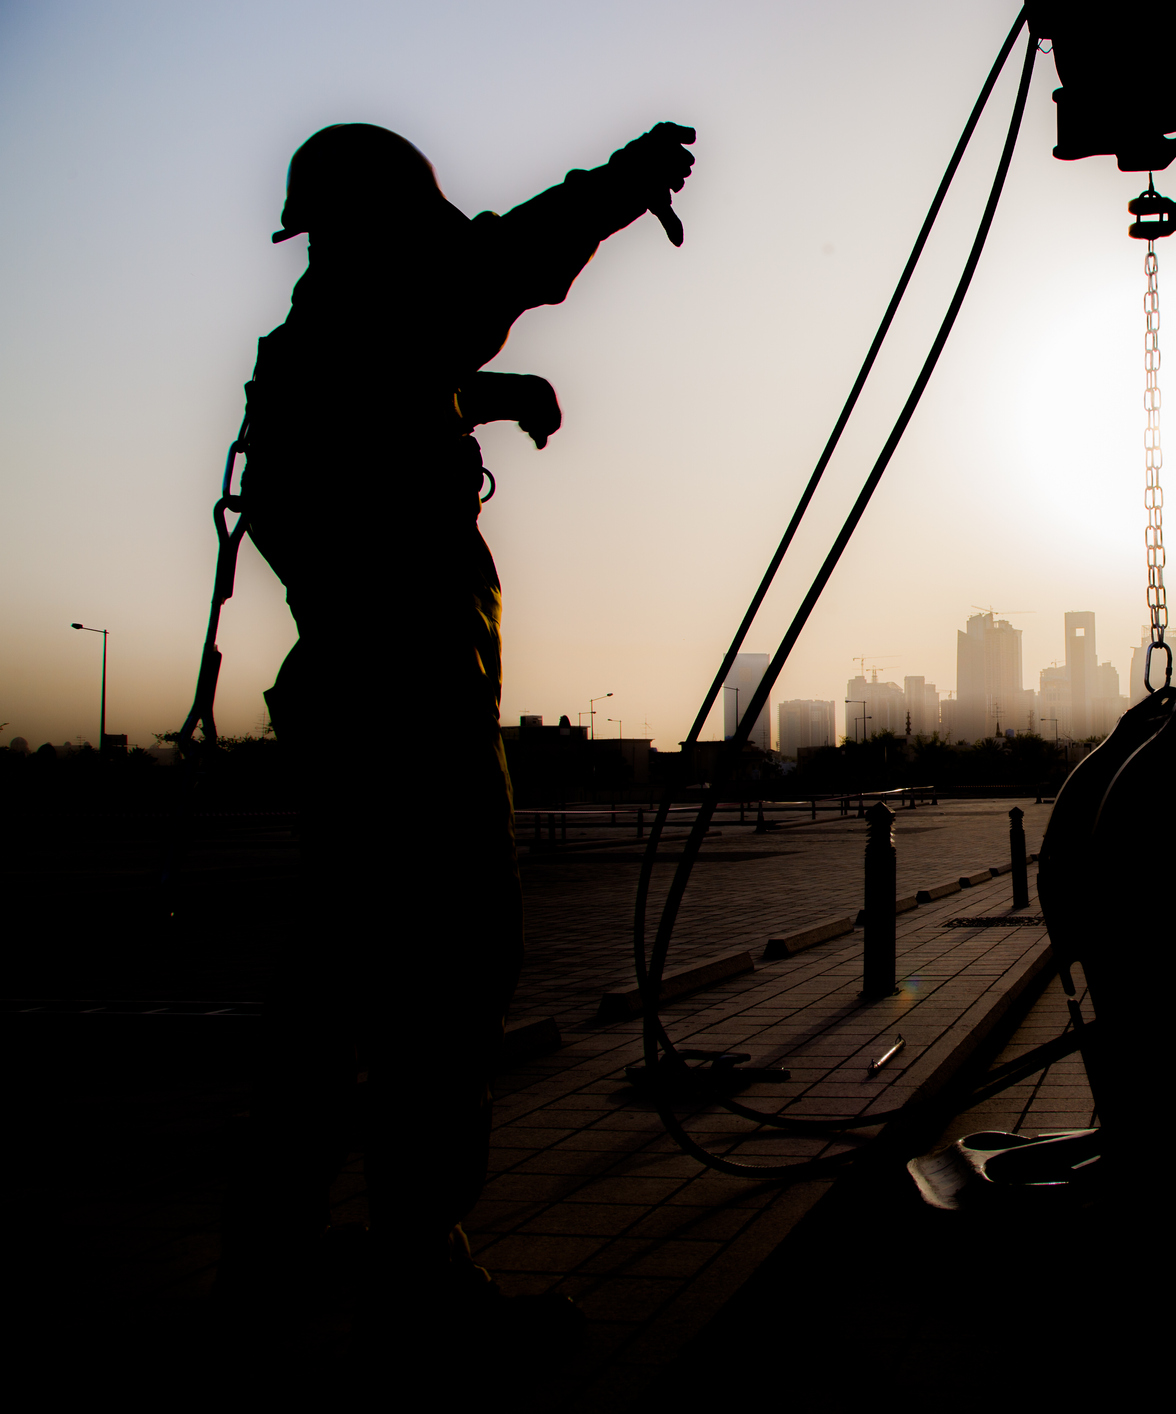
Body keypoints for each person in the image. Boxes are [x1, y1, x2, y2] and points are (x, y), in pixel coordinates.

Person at [216, 120, 695, 1340]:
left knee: (333, 986)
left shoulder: (319, 348)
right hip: (412, 717)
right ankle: (419, 1272)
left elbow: (387, 386)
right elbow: (495, 270)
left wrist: (478, 398)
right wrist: (616, 188)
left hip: (364, 711)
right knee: (441, 982)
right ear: (376, 223)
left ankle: (276, 1255)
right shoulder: (376, 316)